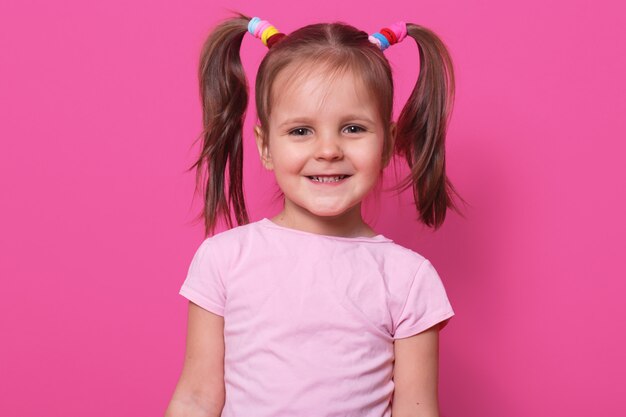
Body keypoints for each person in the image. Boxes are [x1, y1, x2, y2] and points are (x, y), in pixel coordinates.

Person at [165, 11, 462, 417]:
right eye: (301, 131)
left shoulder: (408, 279)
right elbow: (196, 398)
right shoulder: (224, 260)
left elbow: (417, 410)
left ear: (389, 142)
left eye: (353, 128)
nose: (327, 151)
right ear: (266, 145)